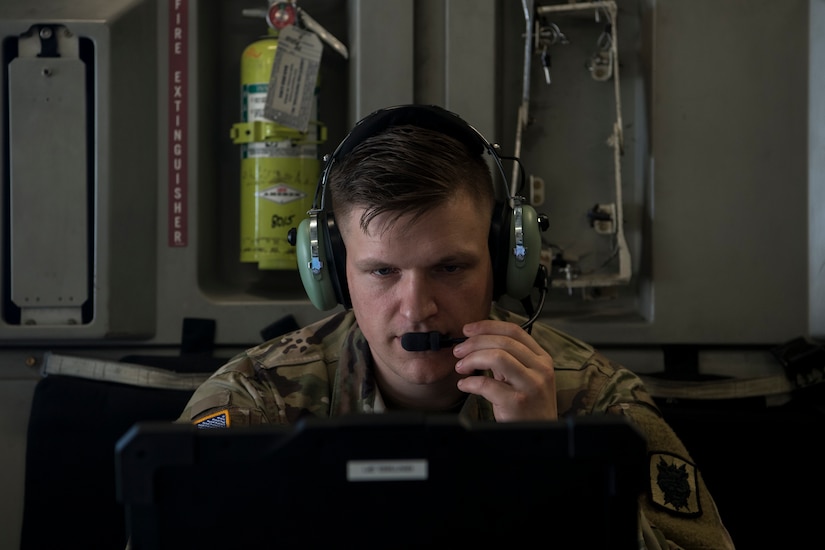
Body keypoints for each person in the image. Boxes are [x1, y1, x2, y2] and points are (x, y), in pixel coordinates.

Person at [177, 104, 735, 549]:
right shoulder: (257, 402)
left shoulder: (595, 399)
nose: (416, 307)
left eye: (450, 267)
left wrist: (551, 468)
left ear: (504, 261)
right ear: (332, 273)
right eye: (382, 272)